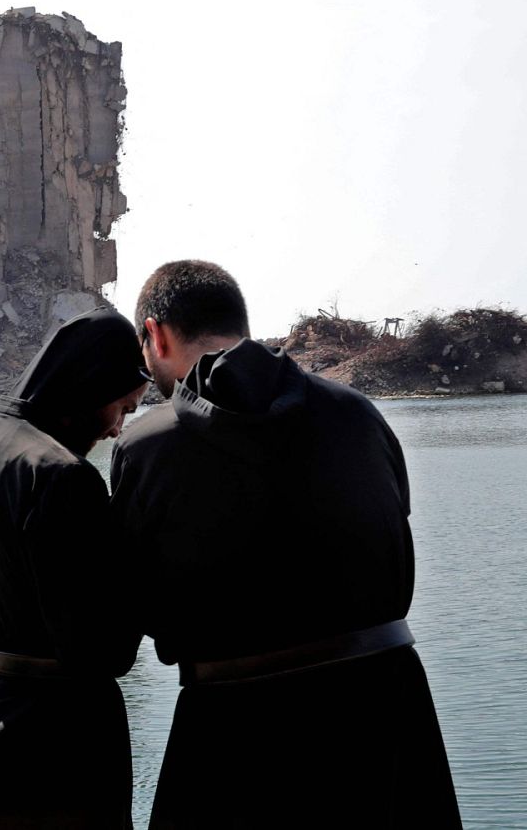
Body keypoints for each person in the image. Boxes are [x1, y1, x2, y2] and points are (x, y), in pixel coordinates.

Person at [110, 260, 460, 828]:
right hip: (385, 709)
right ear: (241, 324)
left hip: (232, 729)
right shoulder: (358, 413)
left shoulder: (146, 445)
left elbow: (134, 599)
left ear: (155, 333)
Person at [0, 307, 149, 829]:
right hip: (55, 742)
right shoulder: (62, 475)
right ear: (92, 384)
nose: (118, 429)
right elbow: (104, 650)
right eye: (123, 408)